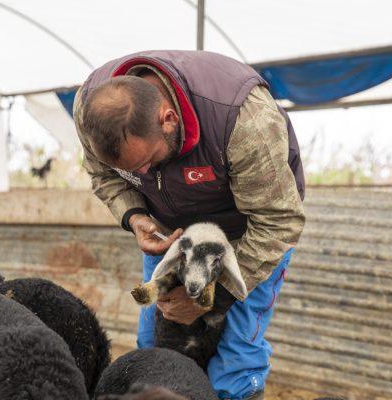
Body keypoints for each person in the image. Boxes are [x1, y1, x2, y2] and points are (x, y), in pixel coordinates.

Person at [73, 50, 305, 400]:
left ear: (168, 119)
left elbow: (278, 220)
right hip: (173, 236)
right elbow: (103, 176)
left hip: (251, 237)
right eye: (130, 170)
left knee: (236, 358)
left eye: (148, 161)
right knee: (152, 350)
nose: (143, 177)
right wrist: (135, 215)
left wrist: (213, 297)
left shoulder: (243, 119)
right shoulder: (91, 111)